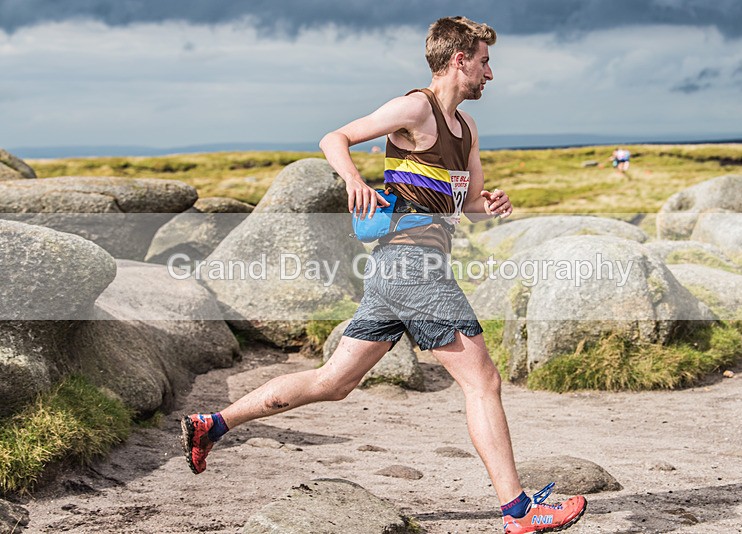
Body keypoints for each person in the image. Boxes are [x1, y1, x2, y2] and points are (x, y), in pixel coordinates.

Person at [181, 16, 586, 533]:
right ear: (459, 59)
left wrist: (492, 203)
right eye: (485, 61)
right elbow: (335, 137)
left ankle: (212, 424)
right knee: (482, 381)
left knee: (333, 382)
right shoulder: (416, 107)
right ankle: (520, 512)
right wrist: (353, 180)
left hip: (396, 273)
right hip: (413, 268)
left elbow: (471, 208)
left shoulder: (466, 129)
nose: (491, 73)